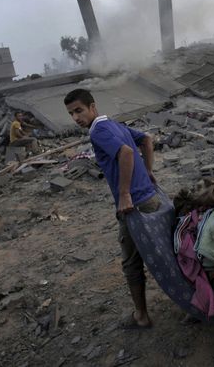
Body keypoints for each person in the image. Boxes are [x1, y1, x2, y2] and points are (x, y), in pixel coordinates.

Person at [64, 88, 159, 329]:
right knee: (166, 250)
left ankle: (141, 315)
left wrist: (125, 194)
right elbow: (147, 140)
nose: (75, 118)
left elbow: (126, 153)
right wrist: (148, 172)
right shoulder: (116, 125)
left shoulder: (98, 130)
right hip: (150, 198)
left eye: (79, 110)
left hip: (134, 206)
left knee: (131, 262)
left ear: (92, 107)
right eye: (71, 113)